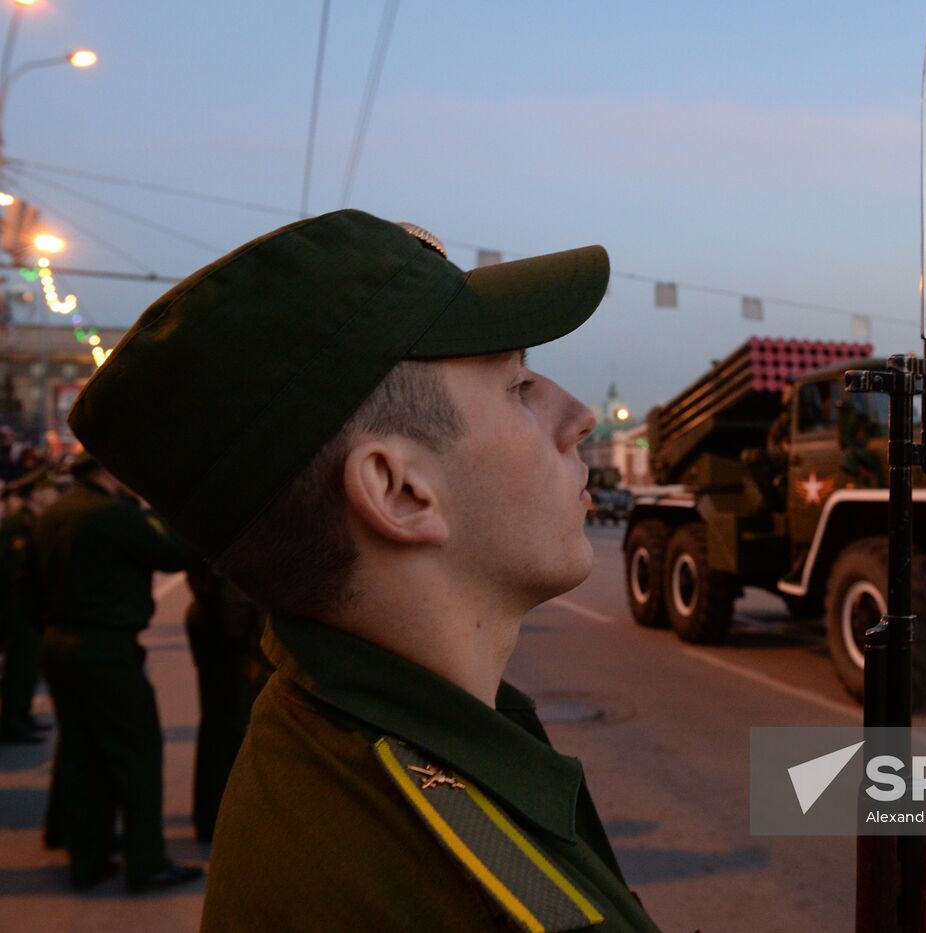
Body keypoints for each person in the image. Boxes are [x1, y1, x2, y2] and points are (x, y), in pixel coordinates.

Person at [69, 210, 666, 930]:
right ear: (399, 490)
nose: (578, 418)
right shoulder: (433, 881)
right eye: (517, 386)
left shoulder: (334, 750)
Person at [33, 452, 201, 891]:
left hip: (58, 641)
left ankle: (87, 856)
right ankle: (147, 862)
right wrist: (159, 513)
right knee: (137, 752)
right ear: (109, 471)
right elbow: (174, 555)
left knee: (81, 748)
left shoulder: (55, 512)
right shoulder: (114, 516)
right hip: (106, 648)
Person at [182, 559, 271, 843]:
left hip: (210, 628)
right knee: (234, 732)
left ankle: (210, 818)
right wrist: (253, 649)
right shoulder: (239, 535)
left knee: (217, 730)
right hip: (232, 645)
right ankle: (226, 821)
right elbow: (237, 605)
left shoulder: (209, 527)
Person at [0, 467, 59, 742]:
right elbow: (11, 575)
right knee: (19, 668)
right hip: (16, 610)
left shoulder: (35, 521)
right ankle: (13, 723)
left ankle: (22, 716)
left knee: (28, 668)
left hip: (28, 610)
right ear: (35, 494)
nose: (53, 493)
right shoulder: (16, 526)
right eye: (47, 489)